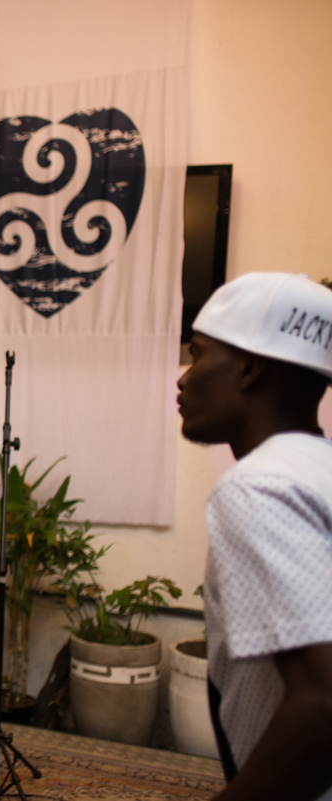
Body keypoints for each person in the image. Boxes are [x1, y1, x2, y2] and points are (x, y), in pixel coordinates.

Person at [176, 272, 332, 801]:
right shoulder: (317, 469)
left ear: (249, 367)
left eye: (198, 354)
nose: (183, 379)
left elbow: (322, 702)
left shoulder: (260, 486)